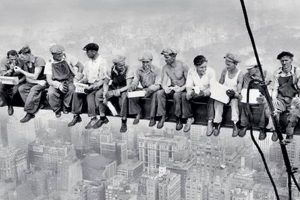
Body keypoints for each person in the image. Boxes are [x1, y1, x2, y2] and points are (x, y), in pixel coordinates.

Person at [68, 43, 109, 128]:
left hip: (99, 85)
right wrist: (80, 83)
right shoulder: (87, 63)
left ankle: (93, 118)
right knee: (76, 93)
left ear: (94, 52)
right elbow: (86, 77)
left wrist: (93, 86)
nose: (87, 54)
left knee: (90, 96)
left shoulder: (102, 62)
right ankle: (76, 116)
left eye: (88, 52)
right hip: (89, 85)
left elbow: (104, 79)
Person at [94, 55, 134, 133]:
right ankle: (102, 117)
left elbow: (128, 85)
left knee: (124, 98)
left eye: (123, 64)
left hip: (124, 88)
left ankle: (123, 121)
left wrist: (115, 92)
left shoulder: (129, 69)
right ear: (115, 65)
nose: (122, 67)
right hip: (114, 86)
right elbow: (106, 83)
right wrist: (105, 94)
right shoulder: (110, 69)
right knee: (99, 94)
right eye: (120, 65)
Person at [238, 59, 274, 140]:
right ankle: (244, 124)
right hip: (252, 96)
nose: (248, 71)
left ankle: (262, 128)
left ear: (257, 67)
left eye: (250, 69)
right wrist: (245, 95)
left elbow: (271, 89)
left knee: (264, 104)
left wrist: (264, 96)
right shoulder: (247, 76)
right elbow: (245, 89)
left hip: (264, 96)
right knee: (244, 102)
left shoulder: (267, 75)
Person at [45, 44, 84, 118]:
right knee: (51, 93)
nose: (61, 55)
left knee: (72, 89)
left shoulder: (68, 57)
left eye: (61, 53)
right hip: (56, 82)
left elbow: (81, 66)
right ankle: (57, 110)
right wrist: (58, 85)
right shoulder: (49, 63)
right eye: (58, 55)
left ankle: (66, 107)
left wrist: (77, 77)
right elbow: (49, 80)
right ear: (53, 54)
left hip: (69, 80)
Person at [156, 48, 189, 130]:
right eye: (164, 57)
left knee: (176, 95)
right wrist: (166, 88)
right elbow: (163, 82)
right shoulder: (165, 68)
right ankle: (163, 115)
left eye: (167, 57)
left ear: (173, 57)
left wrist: (181, 89)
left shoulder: (183, 65)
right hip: (173, 87)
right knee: (160, 93)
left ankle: (178, 118)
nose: (165, 59)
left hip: (183, 88)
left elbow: (189, 82)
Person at [13, 46, 47, 123]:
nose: (21, 59)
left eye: (22, 56)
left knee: (34, 89)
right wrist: (37, 82)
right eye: (20, 57)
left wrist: (21, 70)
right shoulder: (26, 63)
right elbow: (28, 78)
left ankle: (30, 113)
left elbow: (35, 76)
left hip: (44, 81)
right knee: (21, 88)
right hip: (36, 82)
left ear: (28, 54)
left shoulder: (39, 60)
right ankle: (37, 105)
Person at [213, 53, 243, 137]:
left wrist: (234, 93)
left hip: (233, 96)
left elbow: (239, 90)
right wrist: (218, 91)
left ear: (235, 64)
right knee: (218, 102)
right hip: (224, 95)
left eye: (229, 65)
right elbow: (220, 83)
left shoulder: (240, 74)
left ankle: (235, 124)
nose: (227, 66)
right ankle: (217, 123)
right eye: (226, 64)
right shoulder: (224, 71)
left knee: (234, 103)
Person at [272, 51, 300, 141]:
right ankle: (276, 130)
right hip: (281, 98)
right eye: (282, 61)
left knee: (294, 112)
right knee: (274, 110)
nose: (284, 63)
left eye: (286, 60)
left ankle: (289, 134)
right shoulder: (277, 72)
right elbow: (275, 89)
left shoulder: (297, 71)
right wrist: (274, 99)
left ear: (291, 60)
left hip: (293, 98)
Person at [185, 55, 216, 133]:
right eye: (201, 67)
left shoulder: (211, 71)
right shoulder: (191, 71)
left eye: (205, 67)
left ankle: (210, 122)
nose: (204, 69)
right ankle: (190, 118)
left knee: (211, 97)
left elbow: (213, 87)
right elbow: (189, 85)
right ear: (196, 66)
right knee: (185, 96)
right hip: (197, 92)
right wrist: (189, 92)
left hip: (207, 93)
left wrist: (207, 92)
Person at [128, 52, 161, 126]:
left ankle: (152, 117)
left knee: (155, 95)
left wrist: (150, 89)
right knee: (131, 94)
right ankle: (139, 112)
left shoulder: (157, 70)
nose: (145, 64)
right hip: (144, 89)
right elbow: (135, 81)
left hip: (153, 89)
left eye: (147, 62)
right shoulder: (139, 70)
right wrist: (132, 87)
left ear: (151, 61)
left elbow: (158, 85)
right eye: (143, 62)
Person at [0, 50, 25, 115]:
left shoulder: (22, 61)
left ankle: (12, 103)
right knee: (1, 88)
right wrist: (10, 70)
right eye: (12, 59)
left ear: (17, 56)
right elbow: (3, 74)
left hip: (19, 80)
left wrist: (19, 81)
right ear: (8, 58)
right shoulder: (4, 61)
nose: (14, 61)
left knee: (14, 91)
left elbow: (26, 74)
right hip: (8, 79)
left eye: (15, 58)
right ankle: (9, 105)